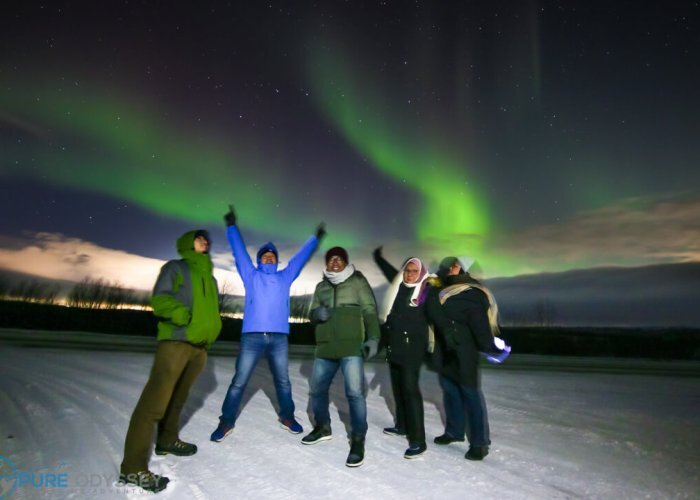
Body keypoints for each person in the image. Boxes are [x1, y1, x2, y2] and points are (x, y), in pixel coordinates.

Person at [211, 206, 324, 442]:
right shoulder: (251, 275)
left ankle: (287, 416)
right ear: (259, 259)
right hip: (252, 336)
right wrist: (232, 227)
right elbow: (239, 252)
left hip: (279, 338)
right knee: (239, 381)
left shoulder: (285, 276)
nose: (269, 256)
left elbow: (300, 258)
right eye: (265, 254)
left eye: (272, 254)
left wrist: (315, 239)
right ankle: (226, 421)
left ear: (276, 259)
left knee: (283, 381)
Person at [120, 230, 222, 493]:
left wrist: (211, 332)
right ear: (189, 243)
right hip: (176, 343)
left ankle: (167, 440)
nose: (205, 242)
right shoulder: (176, 268)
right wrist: (182, 316)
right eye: (200, 239)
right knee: (153, 405)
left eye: (207, 240)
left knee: (178, 399)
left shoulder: (209, 277)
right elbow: (160, 300)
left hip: (199, 348)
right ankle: (132, 468)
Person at [301, 246, 381, 467]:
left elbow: (370, 311)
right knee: (317, 390)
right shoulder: (321, 286)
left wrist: (373, 338)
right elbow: (311, 314)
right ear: (326, 264)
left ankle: (357, 439)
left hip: (351, 346)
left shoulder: (357, 282)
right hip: (325, 347)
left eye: (339, 259)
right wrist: (317, 314)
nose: (335, 262)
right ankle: (322, 427)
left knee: (354, 393)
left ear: (346, 262)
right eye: (331, 259)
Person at [425, 256, 510, 461]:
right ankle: (454, 431)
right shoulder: (443, 290)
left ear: (464, 269)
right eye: (449, 266)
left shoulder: (471, 292)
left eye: (455, 265)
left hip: (464, 351)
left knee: (470, 394)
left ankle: (480, 443)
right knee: (450, 390)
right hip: (445, 350)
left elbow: (478, 323)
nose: (450, 268)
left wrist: (490, 346)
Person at [373, 247, 432, 459]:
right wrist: (379, 259)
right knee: (397, 389)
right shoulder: (400, 287)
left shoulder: (426, 292)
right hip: (395, 347)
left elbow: (441, 316)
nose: (409, 274)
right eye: (407, 270)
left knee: (410, 390)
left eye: (414, 271)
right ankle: (402, 426)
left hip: (412, 350)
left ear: (421, 273)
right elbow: (393, 274)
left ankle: (418, 440)